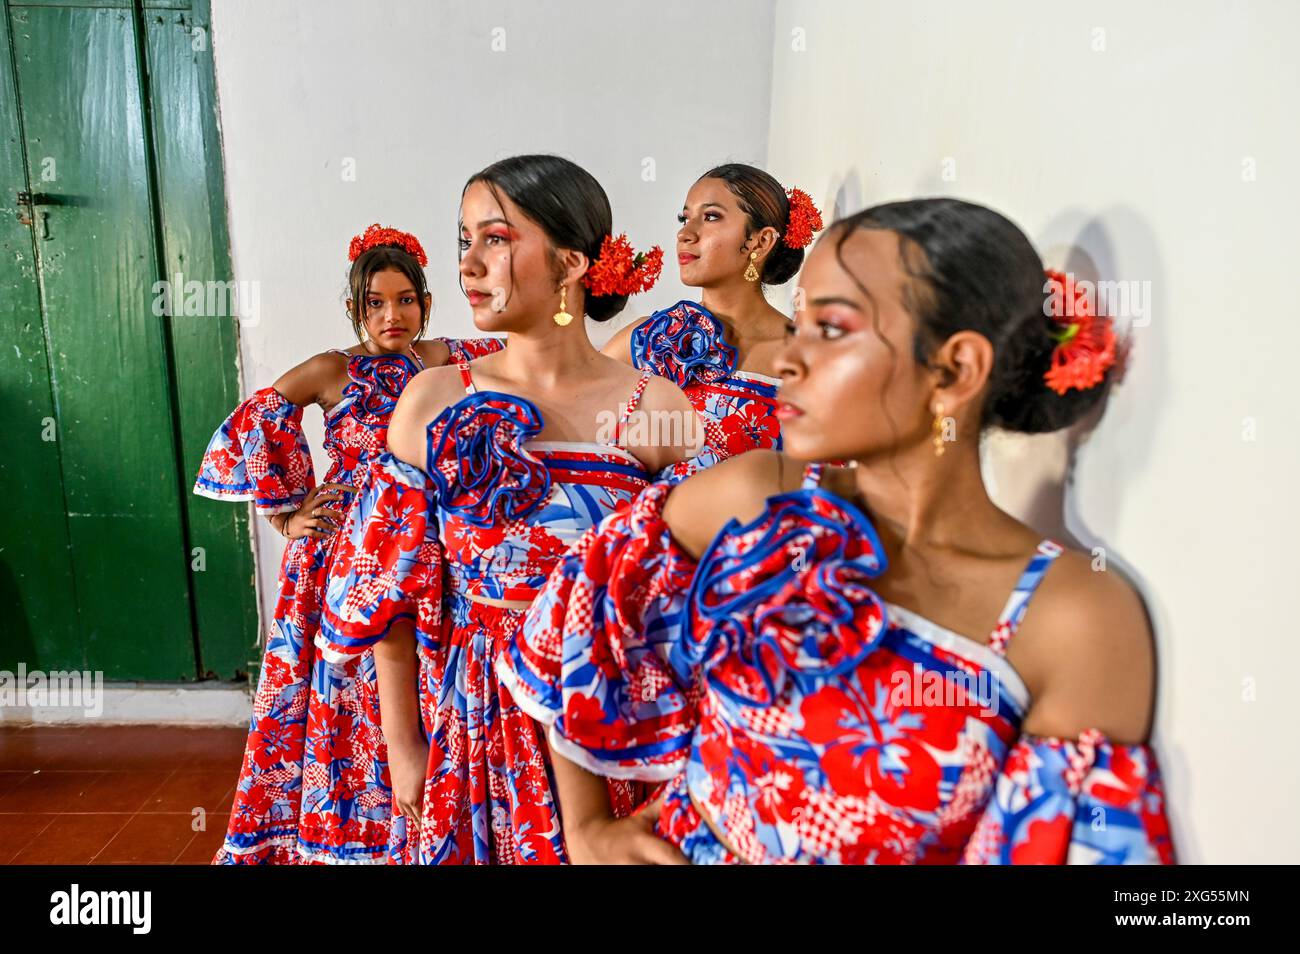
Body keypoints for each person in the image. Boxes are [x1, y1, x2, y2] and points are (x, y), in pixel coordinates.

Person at [500, 197, 1176, 865]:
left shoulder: (1072, 619)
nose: (789, 362)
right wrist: (588, 829)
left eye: (832, 329)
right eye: (798, 326)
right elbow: (582, 602)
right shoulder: (755, 496)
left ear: (955, 370)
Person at [319, 156, 701, 863]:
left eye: (494, 239)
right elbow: (387, 591)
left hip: (602, 716)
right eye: (464, 241)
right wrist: (404, 743)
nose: (468, 265)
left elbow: (686, 601)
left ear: (571, 262)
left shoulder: (657, 408)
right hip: (473, 715)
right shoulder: (433, 399)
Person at [196, 224, 503, 863]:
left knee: (417, 691)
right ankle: (343, 837)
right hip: (344, 557)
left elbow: (532, 356)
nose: (393, 315)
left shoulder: (449, 358)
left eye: (406, 299)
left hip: (424, 551)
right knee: (346, 694)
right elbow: (256, 417)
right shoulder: (334, 369)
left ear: (424, 301)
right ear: (354, 307)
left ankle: (420, 830)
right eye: (375, 302)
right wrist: (284, 516)